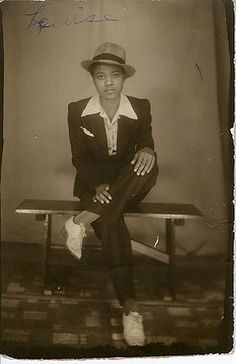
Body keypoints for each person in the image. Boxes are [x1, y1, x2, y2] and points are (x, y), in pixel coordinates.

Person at [65, 42, 159, 346]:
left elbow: (146, 140)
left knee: (148, 163)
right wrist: (97, 186)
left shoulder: (141, 106)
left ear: (124, 78)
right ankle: (131, 309)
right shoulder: (77, 110)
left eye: (115, 75)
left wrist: (147, 149)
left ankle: (80, 220)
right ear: (93, 79)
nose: (108, 82)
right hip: (96, 189)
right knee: (111, 225)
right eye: (101, 76)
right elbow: (79, 158)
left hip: (129, 184)